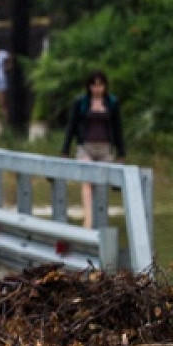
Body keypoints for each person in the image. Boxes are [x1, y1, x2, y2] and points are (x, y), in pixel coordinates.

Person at [62, 70, 125, 229]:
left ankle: (100, 222)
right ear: (89, 87)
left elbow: (118, 128)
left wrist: (121, 153)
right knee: (88, 181)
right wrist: (65, 149)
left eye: (100, 85)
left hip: (105, 148)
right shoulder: (81, 102)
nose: (97, 89)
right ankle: (88, 220)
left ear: (104, 86)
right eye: (94, 85)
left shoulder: (112, 103)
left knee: (101, 184)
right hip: (86, 147)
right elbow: (71, 126)